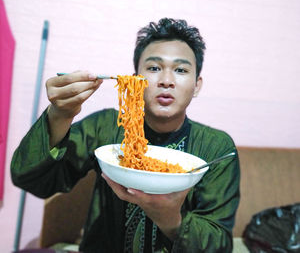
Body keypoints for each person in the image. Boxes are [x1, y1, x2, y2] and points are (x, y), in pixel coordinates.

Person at [11, 18, 240, 252]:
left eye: (181, 70)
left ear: (197, 85)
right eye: (153, 68)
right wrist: (59, 115)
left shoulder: (216, 147)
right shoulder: (106, 126)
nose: (166, 81)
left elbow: (219, 244)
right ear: (134, 79)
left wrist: (172, 221)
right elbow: (32, 180)